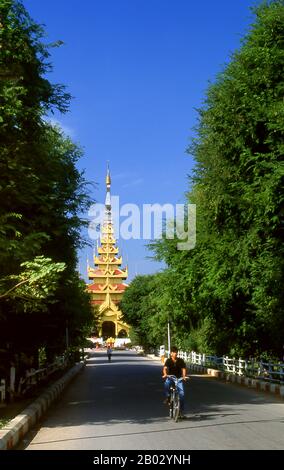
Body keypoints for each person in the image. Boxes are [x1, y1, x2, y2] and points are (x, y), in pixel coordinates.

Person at [162, 346, 188, 418]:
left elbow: (183, 369)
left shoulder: (180, 361)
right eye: (174, 352)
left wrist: (184, 376)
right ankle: (168, 397)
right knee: (166, 383)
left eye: (176, 352)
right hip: (171, 377)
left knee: (182, 394)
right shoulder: (168, 361)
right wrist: (165, 374)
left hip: (179, 378)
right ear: (171, 353)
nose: (175, 353)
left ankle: (181, 412)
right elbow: (165, 368)